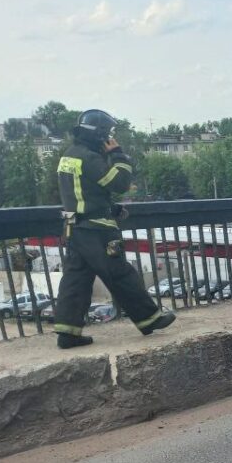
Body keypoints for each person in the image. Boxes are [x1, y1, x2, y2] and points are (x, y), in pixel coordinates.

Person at [53, 109, 175, 349]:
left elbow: (87, 192)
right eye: (107, 134)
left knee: (75, 280)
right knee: (120, 274)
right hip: (97, 230)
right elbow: (119, 183)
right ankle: (149, 318)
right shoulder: (89, 158)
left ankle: (68, 332)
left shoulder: (69, 155)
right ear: (99, 135)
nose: (109, 138)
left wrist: (111, 208)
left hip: (75, 228)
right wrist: (118, 155)